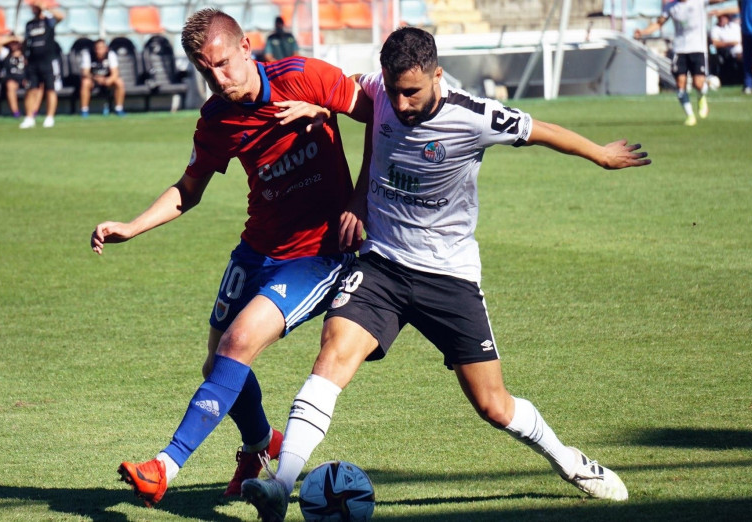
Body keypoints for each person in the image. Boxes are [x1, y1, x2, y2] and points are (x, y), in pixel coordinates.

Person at [241, 26, 651, 522]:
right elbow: (353, 89)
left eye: (411, 91)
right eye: (393, 90)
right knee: (332, 355)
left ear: (437, 75)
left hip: (448, 277)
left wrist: (600, 154)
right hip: (383, 266)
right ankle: (281, 485)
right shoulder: (383, 90)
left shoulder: (474, 116)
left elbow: (540, 130)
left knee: (493, 405)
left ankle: (569, 461)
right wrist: (321, 107)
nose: (400, 102)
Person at [90, 8, 368, 508]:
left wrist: (326, 119)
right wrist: (132, 226)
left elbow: (378, 111)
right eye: (205, 72)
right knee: (216, 362)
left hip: (319, 253)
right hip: (257, 246)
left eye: (222, 64)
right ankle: (260, 447)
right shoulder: (217, 119)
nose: (217, 79)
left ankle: (163, 467)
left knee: (238, 343)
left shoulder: (303, 76)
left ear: (246, 48)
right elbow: (188, 189)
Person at [635, 0, 710, 126]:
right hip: (680, 49)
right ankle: (690, 115)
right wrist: (643, 32)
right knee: (680, 83)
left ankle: (701, 97)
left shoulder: (699, 2)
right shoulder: (671, 7)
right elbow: (659, 23)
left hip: (698, 48)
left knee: (698, 83)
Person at [19, 0, 64, 129]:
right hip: (33, 62)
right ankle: (29, 117)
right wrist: (24, 56)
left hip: (48, 61)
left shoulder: (49, 22)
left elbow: (61, 17)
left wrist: (47, 8)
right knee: (31, 89)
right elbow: (25, 42)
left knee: (50, 89)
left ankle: (49, 117)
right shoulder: (29, 24)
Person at [78, 39, 125, 117]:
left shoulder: (111, 55)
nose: (99, 50)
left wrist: (109, 80)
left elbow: (115, 72)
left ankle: (119, 108)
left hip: (107, 80)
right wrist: (96, 78)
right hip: (93, 80)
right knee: (85, 82)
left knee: (119, 82)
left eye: (101, 48)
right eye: (97, 48)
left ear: (106, 48)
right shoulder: (88, 55)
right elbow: (85, 72)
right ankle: (84, 110)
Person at [710, 13, 744, 85]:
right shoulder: (715, 29)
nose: (722, 19)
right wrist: (730, 43)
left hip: (742, 48)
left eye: (724, 17)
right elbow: (715, 43)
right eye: (720, 18)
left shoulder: (735, 26)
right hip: (728, 51)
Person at [0, 35, 27, 118]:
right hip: (11, 79)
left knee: (38, 85)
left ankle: (33, 111)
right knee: (10, 85)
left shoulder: (25, 54)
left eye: (16, 44)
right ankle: (16, 112)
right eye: (12, 44)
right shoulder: (6, 53)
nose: (14, 46)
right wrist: (12, 38)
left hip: (24, 78)